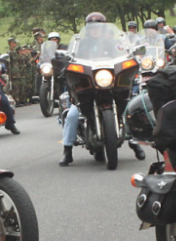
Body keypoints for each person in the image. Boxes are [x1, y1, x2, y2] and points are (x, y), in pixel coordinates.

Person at [60, 12, 143, 165]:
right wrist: (65, 61)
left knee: (128, 109)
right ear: (87, 29)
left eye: (98, 27)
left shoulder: (113, 43)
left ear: (104, 28)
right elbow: (70, 56)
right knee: (72, 114)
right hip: (88, 85)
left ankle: (135, 142)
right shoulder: (80, 44)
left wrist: (132, 56)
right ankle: (67, 150)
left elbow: (125, 53)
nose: (94, 30)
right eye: (91, 27)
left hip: (110, 83)